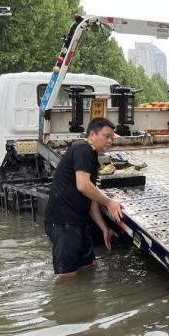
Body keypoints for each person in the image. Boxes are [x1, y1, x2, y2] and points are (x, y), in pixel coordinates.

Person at [44, 117, 124, 278]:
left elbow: (90, 197)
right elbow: (83, 185)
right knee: (67, 277)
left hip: (78, 221)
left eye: (112, 137)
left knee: (90, 266)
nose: (110, 141)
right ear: (93, 134)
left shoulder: (92, 155)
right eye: (106, 136)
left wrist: (103, 227)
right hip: (63, 223)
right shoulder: (82, 149)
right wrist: (109, 202)